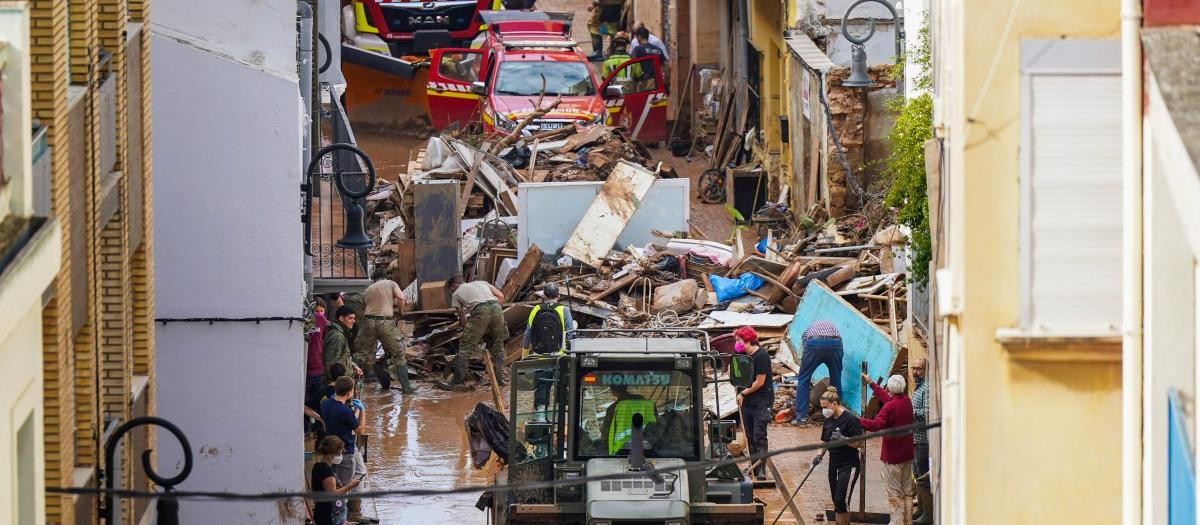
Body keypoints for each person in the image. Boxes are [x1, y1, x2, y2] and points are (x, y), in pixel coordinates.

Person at [859, 374, 915, 525]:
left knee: (894, 493)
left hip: (893, 457)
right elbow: (888, 399)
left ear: (890, 388)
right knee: (907, 490)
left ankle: (897, 522)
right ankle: (907, 521)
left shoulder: (890, 406)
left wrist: (856, 420)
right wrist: (872, 384)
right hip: (907, 454)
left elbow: (876, 425)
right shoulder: (906, 401)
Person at [321, 376, 375, 524]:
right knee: (345, 485)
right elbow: (359, 430)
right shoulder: (345, 411)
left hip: (332, 448)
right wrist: (362, 412)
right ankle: (344, 518)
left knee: (344, 479)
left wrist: (354, 413)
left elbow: (343, 422)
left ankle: (349, 514)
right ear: (350, 392)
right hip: (345, 451)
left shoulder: (326, 404)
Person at [356, 268, 416, 393]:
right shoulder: (391, 283)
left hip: (368, 322)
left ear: (374, 279)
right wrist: (401, 311)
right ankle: (407, 388)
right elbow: (401, 297)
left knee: (362, 354)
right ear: (385, 277)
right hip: (385, 322)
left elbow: (364, 307)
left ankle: (348, 386)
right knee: (398, 354)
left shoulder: (367, 290)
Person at [448, 276, 508, 388]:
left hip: (480, 312)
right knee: (498, 347)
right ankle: (499, 380)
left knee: (465, 349)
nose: (452, 291)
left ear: (454, 286)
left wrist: (469, 332)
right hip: (497, 309)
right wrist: (492, 315)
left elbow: (462, 318)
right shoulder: (482, 282)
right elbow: (501, 296)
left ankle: (458, 382)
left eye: (451, 289)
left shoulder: (456, 294)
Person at [733, 326, 773, 480]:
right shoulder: (742, 354)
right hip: (747, 402)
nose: (737, 344)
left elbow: (760, 381)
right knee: (749, 435)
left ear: (748, 340)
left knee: (759, 435)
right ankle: (754, 466)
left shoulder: (761, 356)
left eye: (739, 340)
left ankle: (761, 469)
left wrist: (743, 392)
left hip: (761, 401)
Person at [819, 387, 863, 525]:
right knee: (835, 500)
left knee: (841, 500)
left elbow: (859, 443)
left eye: (826, 407)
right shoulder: (828, 419)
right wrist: (819, 455)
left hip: (849, 464)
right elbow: (824, 440)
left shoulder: (850, 419)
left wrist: (843, 439)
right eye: (822, 407)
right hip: (834, 462)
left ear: (834, 404)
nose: (824, 410)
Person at [792, 320, 845, 424]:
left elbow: (805, 346)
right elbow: (841, 349)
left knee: (804, 379)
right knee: (836, 378)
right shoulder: (833, 328)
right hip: (836, 343)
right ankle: (837, 415)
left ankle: (801, 417)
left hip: (814, 343)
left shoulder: (808, 332)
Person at [312, 435, 361, 525]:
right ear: (333, 453)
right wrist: (350, 486)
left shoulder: (317, 466)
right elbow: (333, 494)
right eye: (339, 453)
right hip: (328, 516)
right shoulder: (326, 471)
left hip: (322, 512)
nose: (340, 455)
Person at [603, 384, 657, 454]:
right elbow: (656, 422)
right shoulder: (643, 400)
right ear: (626, 386)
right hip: (647, 448)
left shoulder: (613, 408)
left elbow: (605, 433)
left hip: (620, 452)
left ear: (612, 390)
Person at [911, 358, 933, 524]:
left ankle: (928, 514)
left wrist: (910, 411)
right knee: (917, 475)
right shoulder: (918, 388)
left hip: (923, 440)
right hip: (914, 438)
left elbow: (926, 413)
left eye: (918, 369)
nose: (914, 372)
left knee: (923, 477)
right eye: (913, 368)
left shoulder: (927, 388)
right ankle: (920, 509)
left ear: (925, 370)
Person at [305, 362, 347, 443]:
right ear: (344, 376)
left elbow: (305, 408)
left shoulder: (321, 392)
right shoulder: (345, 393)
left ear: (330, 375)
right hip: (340, 439)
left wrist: (320, 419)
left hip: (322, 437)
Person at [323, 306, 363, 382]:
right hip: (340, 384)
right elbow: (331, 364)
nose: (354, 321)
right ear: (341, 318)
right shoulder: (337, 336)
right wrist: (338, 385)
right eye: (350, 318)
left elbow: (343, 357)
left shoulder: (339, 333)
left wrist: (354, 366)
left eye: (354, 318)